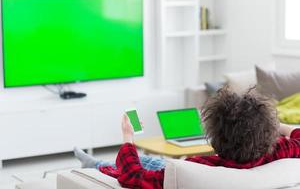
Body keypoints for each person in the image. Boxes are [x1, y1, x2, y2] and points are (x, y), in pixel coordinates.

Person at [74, 86, 300, 189]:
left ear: (214, 135)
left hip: (168, 170)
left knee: (148, 163)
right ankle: (95, 162)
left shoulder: (197, 167)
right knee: (154, 162)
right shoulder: (282, 151)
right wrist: (277, 126)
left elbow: (132, 176)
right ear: (268, 130)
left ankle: (94, 163)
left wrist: (128, 138)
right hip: (170, 167)